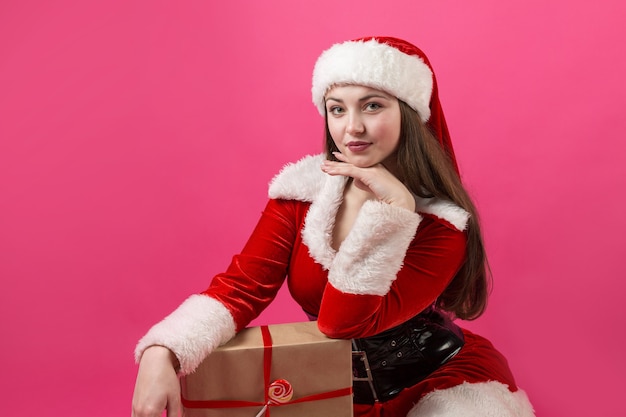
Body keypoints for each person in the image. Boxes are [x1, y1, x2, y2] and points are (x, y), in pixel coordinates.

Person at [131, 36, 535, 417]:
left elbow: (342, 323)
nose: (351, 128)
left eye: (372, 106)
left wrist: (392, 209)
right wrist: (162, 351)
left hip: (439, 380)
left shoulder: (442, 223)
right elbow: (241, 288)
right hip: (327, 385)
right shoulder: (299, 196)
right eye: (337, 108)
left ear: (409, 115)